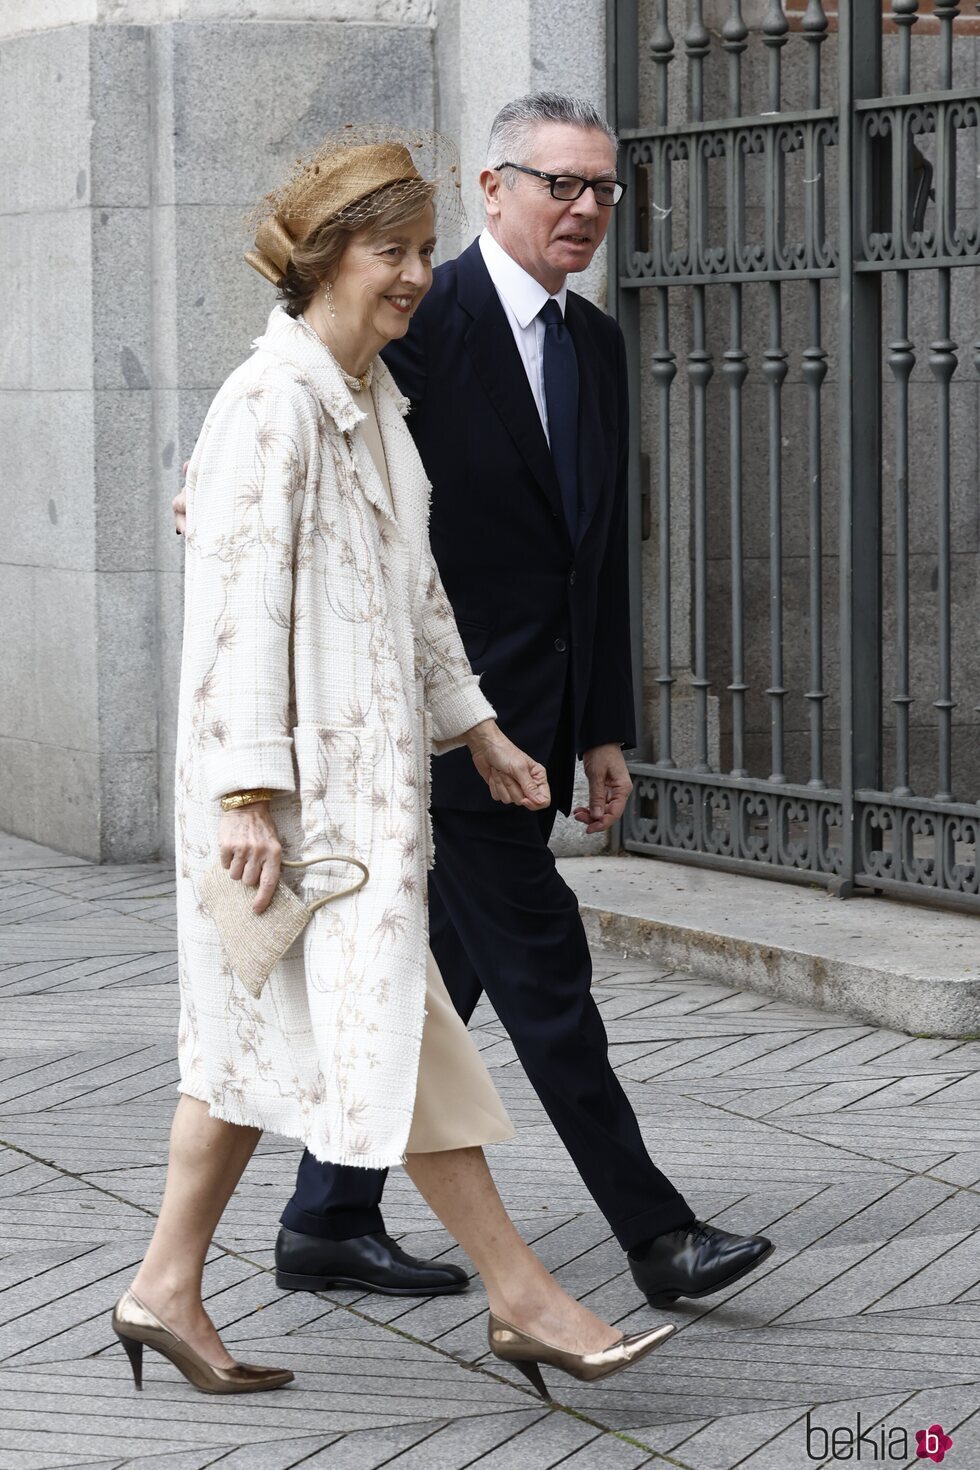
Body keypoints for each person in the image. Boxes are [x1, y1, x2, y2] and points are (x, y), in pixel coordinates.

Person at [175, 96, 773, 1310]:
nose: (584, 209)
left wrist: (598, 723)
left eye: (603, 189)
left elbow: (591, 556)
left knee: (438, 976)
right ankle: (653, 1236)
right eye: (560, 184)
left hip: (512, 728)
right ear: (493, 190)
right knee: (546, 976)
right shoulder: (413, 321)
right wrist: (208, 491)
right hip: (412, 727)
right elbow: (290, 405)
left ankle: (325, 1219)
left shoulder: (595, 344)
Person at [113, 130, 675, 1402]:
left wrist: (476, 727)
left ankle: (160, 1288)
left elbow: (413, 598)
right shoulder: (270, 407)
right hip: (295, 816)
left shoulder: (368, 400)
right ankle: (524, 1298)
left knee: (247, 1058)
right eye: (392, 251)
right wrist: (248, 791)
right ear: (321, 261)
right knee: (397, 1039)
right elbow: (237, 619)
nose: (418, 275)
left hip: (362, 802)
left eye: (425, 249)